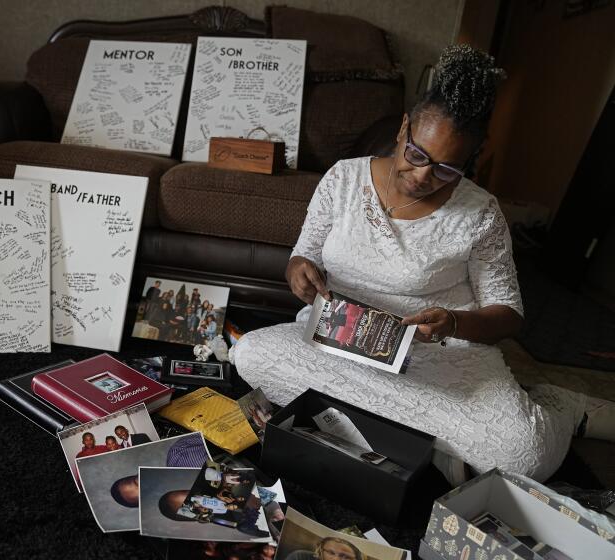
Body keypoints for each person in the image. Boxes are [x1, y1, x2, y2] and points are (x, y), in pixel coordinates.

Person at [230, 44, 615, 483]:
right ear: (403, 129)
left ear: (472, 159)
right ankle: (433, 444)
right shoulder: (342, 178)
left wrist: (451, 323)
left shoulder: (482, 213)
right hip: (339, 343)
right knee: (250, 353)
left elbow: (509, 317)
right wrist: (298, 269)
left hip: (438, 357)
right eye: (417, 155)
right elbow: (304, 255)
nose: (421, 177)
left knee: (524, 455)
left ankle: (564, 408)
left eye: (446, 169)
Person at [284, 537, 364, 560]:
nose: (335, 559)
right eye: (331, 553)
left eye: (346, 557)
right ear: (320, 550)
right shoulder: (300, 557)